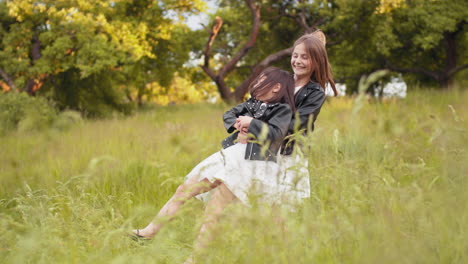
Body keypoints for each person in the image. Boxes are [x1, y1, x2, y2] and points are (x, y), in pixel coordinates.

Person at [131, 67, 296, 248]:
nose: (256, 82)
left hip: (250, 164)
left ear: (276, 87)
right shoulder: (252, 103)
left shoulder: (283, 110)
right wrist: (239, 124)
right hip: (230, 155)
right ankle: (149, 232)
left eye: (262, 80)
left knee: (215, 208)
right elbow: (229, 114)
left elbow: (276, 133)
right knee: (184, 189)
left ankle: (196, 258)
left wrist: (252, 124)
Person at [237, 30, 337, 205]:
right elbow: (256, 106)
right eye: (295, 55)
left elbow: (296, 125)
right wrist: (245, 126)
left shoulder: (315, 93)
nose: (297, 61)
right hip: (264, 147)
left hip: (290, 153)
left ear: (316, 61)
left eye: (304, 57)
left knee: (283, 204)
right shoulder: (282, 81)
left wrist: (255, 125)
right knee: (255, 199)